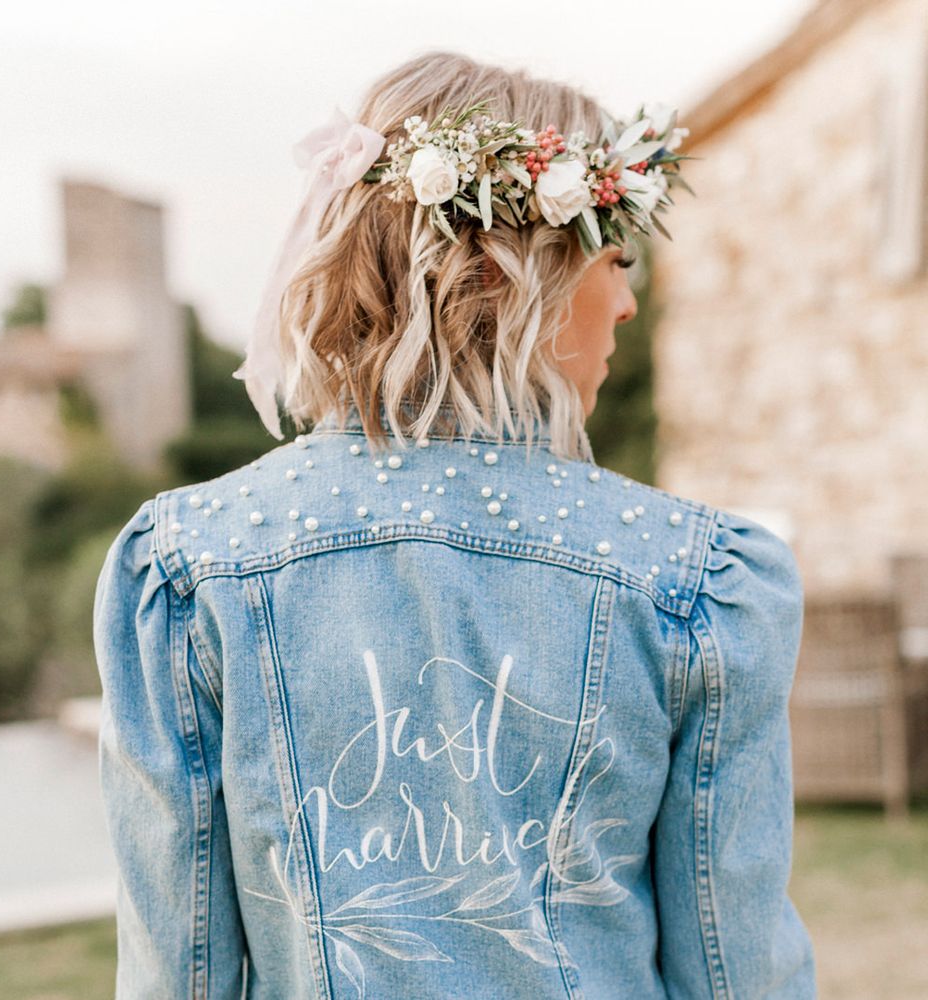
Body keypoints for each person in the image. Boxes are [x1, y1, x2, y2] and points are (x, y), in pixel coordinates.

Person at [94, 49, 817, 999]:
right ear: (506, 271)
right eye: (615, 257)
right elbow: (738, 971)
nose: (628, 302)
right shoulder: (695, 584)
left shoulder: (188, 567)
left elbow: (173, 970)